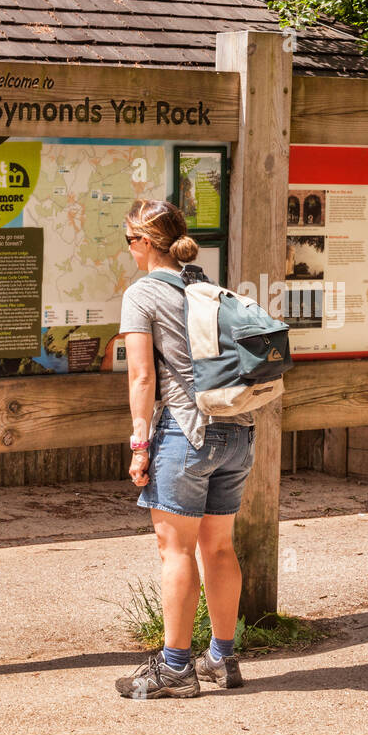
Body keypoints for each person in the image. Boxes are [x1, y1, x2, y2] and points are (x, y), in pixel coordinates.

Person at [114, 198, 256, 699]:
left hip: (185, 430)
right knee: (218, 547)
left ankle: (175, 667)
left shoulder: (143, 293)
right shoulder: (207, 287)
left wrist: (139, 444)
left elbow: (142, 375)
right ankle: (221, 657)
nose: (129, 251)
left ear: (145, 243)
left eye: (129, 241)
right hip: (237, 430)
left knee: (174, 550)